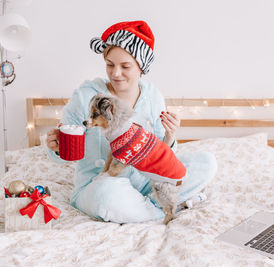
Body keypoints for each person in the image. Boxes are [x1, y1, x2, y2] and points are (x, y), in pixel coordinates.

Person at [45, 20, 217, 223]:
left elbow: (161, 156)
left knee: (206, 163)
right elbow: (63, 154)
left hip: (145, 181)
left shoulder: (152, 97)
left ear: (141, 67)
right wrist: (56, 147)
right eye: (110, 65)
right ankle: (162, 211)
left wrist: (170, 136)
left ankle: (143, 208)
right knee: (109, 193)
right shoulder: (87, 96)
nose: (115, 73)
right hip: (99, 184)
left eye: (125, 66)